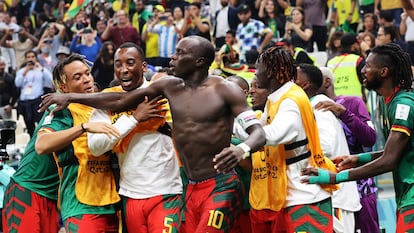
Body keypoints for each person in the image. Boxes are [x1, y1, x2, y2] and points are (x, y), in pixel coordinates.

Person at [39, 35, 266, 233]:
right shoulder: (168, 87)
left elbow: (258, 133)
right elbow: (120, 100)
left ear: (199, 61)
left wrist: (240, 149)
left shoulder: (225, 89)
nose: (172, 58)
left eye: (180, 53)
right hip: (187, 189)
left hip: (216, 184)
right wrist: (70, 97)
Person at [301, 43, 414, 233]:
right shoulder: (386, 100)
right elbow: (392, 151)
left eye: (368, 66)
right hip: (405, 194)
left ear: (384, 71)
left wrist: (337, 177)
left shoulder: (403, 105)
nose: (363, 70)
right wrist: (358, 159)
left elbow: (389, 160)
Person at [234, 46, 336, 232]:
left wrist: (241, 148)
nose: (255, 73)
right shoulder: (276, 99)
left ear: (272, 72)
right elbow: (254, 134)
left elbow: (270, 135)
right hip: (289, 196)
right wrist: (233, 116)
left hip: (306, 197)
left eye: (258, 68)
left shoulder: (290, 101)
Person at [87, 42, 183, 233]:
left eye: (130, 63)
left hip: (166, 191)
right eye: (118, 64)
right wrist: (134, 119)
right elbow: (96, 147)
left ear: (144, 66)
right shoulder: (106, 101)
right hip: (130, 195)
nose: (124, 70)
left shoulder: (162, 96)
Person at [295, 63, 361, 233]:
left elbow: (326, 146)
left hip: (335, 196)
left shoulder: (319, 106)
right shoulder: (309, 106)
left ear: (305, 84)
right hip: (326, 191)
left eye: (294, 77)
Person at [317, 67, 380, 233]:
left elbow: (370, 138)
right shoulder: (308, 108)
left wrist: (344, 113)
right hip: (332, 185)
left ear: (326, 82)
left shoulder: (352, 102)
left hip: (361, 183)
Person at [15, 50, 54, 137]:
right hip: (25, 102)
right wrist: (25, 72)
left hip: (37, 102)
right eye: (28, 57)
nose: (30, 59)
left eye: (32, 57)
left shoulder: (41, 70)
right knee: (29, 126)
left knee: (40, 124)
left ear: (36, 58)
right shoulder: (21, 71)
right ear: (25, 59)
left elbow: (50, 80)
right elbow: (17, 84)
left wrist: (41, 68)